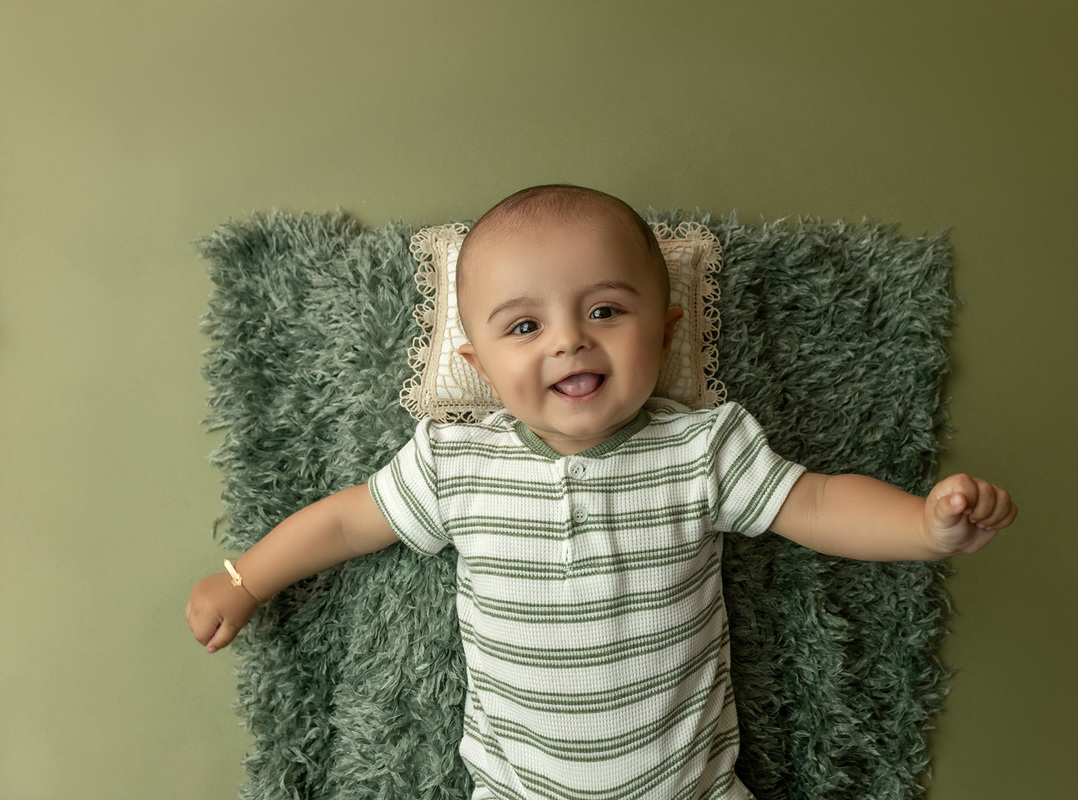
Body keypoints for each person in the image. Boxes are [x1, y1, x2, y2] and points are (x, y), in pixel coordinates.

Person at [187, 184, 1017, 800]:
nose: (570, 341)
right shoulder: (454, 462)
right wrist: (245, 578)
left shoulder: (701, 448)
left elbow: (821, 504)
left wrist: (924, 527)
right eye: (525, 326)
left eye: (607, 311)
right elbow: (344, 522)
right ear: (479, 367)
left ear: (666, 330)